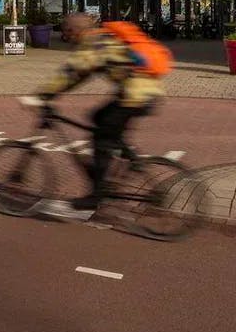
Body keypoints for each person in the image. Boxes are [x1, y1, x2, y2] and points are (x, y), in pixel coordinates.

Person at [37, 12, 167, 210]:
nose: (67, 38)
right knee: (98, 118)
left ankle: (96, 196)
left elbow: (73, 72)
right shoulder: (104, 37)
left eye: (67, 33)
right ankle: (125, 155)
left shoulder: (94, 42)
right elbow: (81, 75)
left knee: (102, 139)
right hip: (142, 93)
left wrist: (43, 94)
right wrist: (53, 94)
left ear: (75, 31)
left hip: (136, 97)